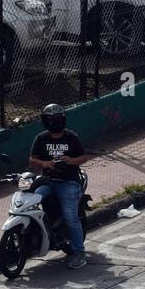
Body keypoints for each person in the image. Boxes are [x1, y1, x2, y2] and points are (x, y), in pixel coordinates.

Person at [28, 103, 89, 269]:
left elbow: (84, 157)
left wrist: (71, 161)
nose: (54, 122)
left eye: (57, 119)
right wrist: (46, 163)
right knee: (30, 203)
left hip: (69, 181)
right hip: (47, 181)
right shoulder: (41, 138)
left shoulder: (71, 137)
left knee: (70, 216)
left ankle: (79, 252)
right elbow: (32, 160)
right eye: (50, 119)